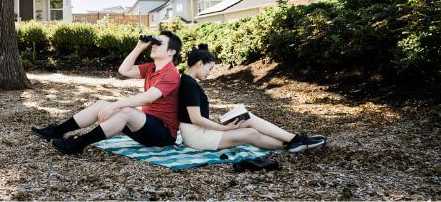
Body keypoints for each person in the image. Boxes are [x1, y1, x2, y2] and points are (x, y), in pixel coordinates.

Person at [31, 31, 183, 155]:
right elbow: (124, 70)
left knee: (126, 111)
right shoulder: (151, 68)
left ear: (171, 52)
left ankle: (78, 144)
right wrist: (138, 47)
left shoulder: (171, 73)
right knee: (102, 104)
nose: (154, 45)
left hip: (163, 135)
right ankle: (57, 131)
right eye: (154, 42)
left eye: (159, 43)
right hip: (144, 127)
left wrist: (115, 106)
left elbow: (149, 97)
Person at [179, 44, 326, 152]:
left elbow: (194, 116)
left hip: (200, 131)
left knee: (247, 118)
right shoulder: (189, 84)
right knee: (251, 133)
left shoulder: (188, 82)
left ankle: (294, 140)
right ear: (199, 64)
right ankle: (293, 144)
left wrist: (215, 121)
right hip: (198, 138)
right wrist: (223, 127)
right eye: (209, 69)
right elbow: (195, 119)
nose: (209, 73)